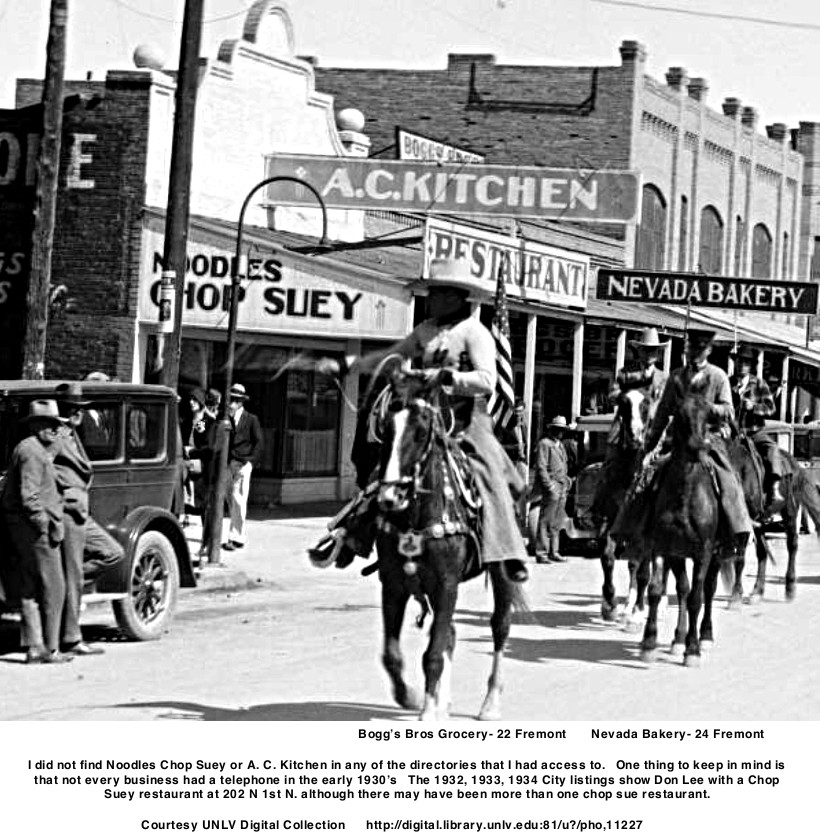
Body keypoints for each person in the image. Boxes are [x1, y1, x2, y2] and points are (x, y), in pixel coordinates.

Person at [313, 257, 530, 583]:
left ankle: (505, 552)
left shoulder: (475, 332)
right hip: (426, 415)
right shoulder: (425, 330)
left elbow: (487, 380)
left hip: (467, 421)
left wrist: (443, 375)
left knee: (490, 478)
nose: (431, 299)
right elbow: (390, 357)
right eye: (431, 293)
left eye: (439, 293)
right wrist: (348, 364)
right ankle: (354, 535)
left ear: (457, 297)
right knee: (383, 472)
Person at [621, 328, 753, 547]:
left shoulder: (717, 376)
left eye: (701, 348)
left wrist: (705, 407)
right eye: (692, 348)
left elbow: (728, 410)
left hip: (710, 437)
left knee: (727, 477)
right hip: (678, 439)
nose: (696, 353)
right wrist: (650, 443)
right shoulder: (676, 377)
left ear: (708, 350)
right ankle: (632, 529)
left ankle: (737, 532)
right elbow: (663, 411)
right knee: (647, 477)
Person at [53, 382, 124, 656]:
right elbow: (41, 470)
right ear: (65, 411)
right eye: (73, 409)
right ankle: (71, 638)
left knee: (113, 553)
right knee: (73, 574)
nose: (78, 414)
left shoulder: (73, 435)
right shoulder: (57, 438)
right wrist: (62, 497)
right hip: (68, 513)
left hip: (82, 513)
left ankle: (59, 583)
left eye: (80, 409)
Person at [0, 400, 72, 664]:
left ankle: (34, 646)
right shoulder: (32, 452)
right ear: (36, 425)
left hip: (24, 527)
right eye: (51, 425)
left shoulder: (31, 448)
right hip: (35, 530)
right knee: (55, 587)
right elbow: (29, 495)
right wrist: (44, 525)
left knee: (30, 587)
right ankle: (51, 648)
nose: (56, 430)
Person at [591, 327, 669, 523]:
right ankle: (600, 511)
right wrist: (629, 396)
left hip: (654, 433)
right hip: (626, 432)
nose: (650, 354)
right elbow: (612, 396)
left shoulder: (664, 378)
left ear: (658, 353)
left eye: (653, 350)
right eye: (646, 350)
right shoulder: (625, 373)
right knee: (609, 469)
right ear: (639, 351)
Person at [729, 344, 783, 508]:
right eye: (740, 361)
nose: (742, 365)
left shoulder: (759, 384)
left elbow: (771, 409)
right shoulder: (727, 382)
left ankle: (774, 488)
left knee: (771, 447)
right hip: (731, 433)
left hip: (753, 432)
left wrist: (754, 407)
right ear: (735, 362)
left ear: (751, 366)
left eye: (746, 362)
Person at [224, 383, 264, 551]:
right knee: (230, 499)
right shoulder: (226, 418)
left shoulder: (251, 419)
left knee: (238, 499)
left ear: (241, 402)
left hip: (242, 464)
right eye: (231, 399)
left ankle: (236, 537)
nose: (232, 402)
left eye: (236, 400)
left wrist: (250, 461)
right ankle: (236, 532)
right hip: (227, 464)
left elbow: (259, 442)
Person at [185, 387, 219, 558]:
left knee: (204, 507)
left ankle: (207, 543)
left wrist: (191, 452)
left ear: (200, 402)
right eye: (190, 400)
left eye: (194, 400)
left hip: (204, 471)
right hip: (191, 468)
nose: (191, 403)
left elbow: (208, 448)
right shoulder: (196, 421)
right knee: (194, 506)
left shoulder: (207, 422)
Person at [534, 416, 572, 563]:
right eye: (558, 429)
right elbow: (541, 467)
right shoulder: (545, 444)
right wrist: (549, 485)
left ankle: (554, 552)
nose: (560, 432)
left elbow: (564, 464)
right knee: (545, 520)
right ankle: (542, 553)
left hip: (562, 485)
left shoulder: (560, 445)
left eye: (562, 430)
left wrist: (567, 479)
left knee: (557, 522)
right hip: (553, 485)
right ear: (551, 429)